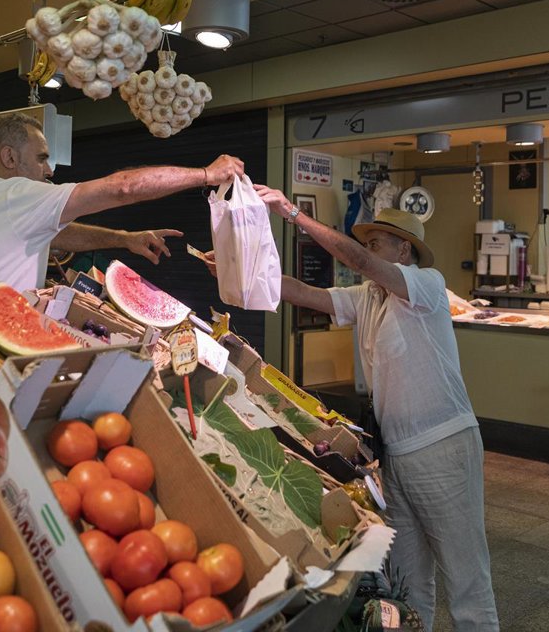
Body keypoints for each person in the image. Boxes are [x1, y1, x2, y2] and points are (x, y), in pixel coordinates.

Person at [213, 193, 499, 631]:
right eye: (367, 243)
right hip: (395, 455)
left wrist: (294, 215)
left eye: (377, 243)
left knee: (467, 580)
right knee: (407, 581)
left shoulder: (427, 284)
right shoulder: (368, 296)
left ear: (403, 250)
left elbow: (360, 262)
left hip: (443, 447)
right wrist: (238, 270)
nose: (367, 251)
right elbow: (305, 293)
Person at [0, 112, 243, 302]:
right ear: (9, 157)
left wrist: (124, 239)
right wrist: (207, 174)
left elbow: (55, 234)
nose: (49, 171)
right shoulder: (16, 195)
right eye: (41, 158)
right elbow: (124, 187)